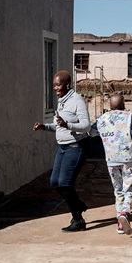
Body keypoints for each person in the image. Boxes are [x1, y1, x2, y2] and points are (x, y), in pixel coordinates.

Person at [33, 71, 92, 232]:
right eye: (54, 86)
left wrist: (68, 126)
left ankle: (78, 219)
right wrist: (44, 127)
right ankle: (78, 204)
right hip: (63, 147)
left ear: (67, 84)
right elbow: (60, 125)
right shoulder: (62, 102)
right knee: (55, 182)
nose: (55, 88)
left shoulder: (76, 101)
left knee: (65, 183)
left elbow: (86, 125)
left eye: (58, 85)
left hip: (76, 147)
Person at [92, 93, 132, 235]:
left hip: (111, 160)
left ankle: (120, 224)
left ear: (109, 106)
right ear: (123, 105)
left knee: (117, 189)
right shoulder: (129, 117)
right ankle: (125, 212)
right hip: (127, 159)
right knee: (128, 189)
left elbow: (91, 131)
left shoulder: (102, 119)